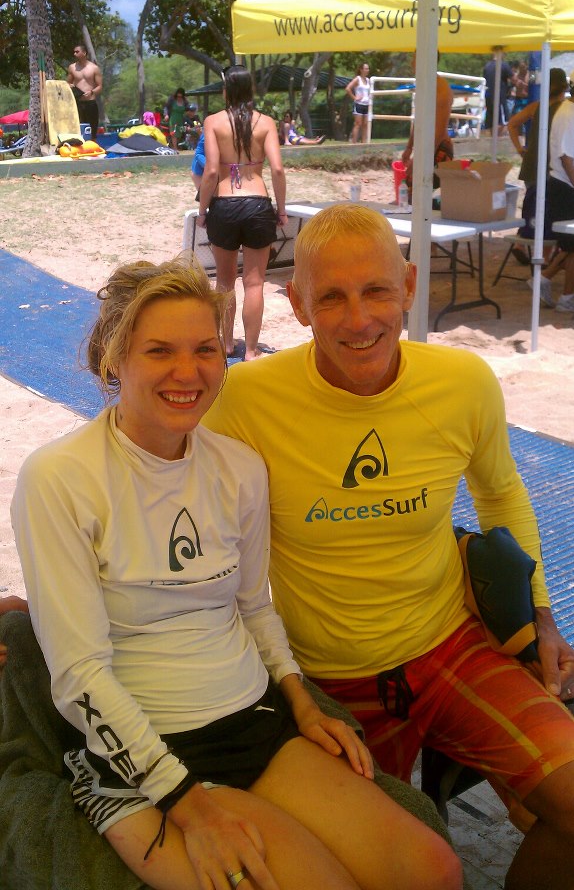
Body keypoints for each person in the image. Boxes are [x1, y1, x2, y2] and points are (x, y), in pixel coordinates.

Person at [9, 258, 460, 890]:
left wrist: (300, 701)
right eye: (159, 351)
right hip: (144, 752)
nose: (188, 372)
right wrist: (190, 805)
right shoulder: (60, 479)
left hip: (252, 718)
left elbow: (254, 607)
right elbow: (78, 673)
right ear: (114, 358)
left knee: (433, 870)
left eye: (205, 350)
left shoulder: (239, 469)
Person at [204, 203, 574, 890]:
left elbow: (501, 495)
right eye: (331, 298)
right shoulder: (246, 400)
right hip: (325, 681)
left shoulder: (462, 382)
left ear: (408, 285)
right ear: (297, 305)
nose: (359, 319)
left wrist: (541, 614)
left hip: (451, 648)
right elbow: (158, 490)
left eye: (376, 290)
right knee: (396, 870)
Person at [198, 64, 288, 361]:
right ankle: (250, 350)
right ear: (250, 90)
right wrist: (281, 210)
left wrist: (202, 210)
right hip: (258, 204)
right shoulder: (266, 123)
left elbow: (212, 171)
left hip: (224, 204)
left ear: (227, 90)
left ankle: (226, 343)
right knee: (254, 282)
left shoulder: (213, 122)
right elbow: (277, 169)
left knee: (224, 281)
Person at [508, 68, 568, 281]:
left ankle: (520, 243)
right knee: (549, 213)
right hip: (552, 167)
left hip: (531, 164)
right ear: (564, 87)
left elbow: (512, 124)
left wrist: (520, 149)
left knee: (532, 207)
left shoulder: (536, 107)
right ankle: (543, 257)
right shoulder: (565, 110)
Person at [536, 72, 574, 313]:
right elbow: (567, 157)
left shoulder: (566, 110)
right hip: (565, 186)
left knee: (570, 246)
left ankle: (545, 279)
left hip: (563, 184)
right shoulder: (569, 114)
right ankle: (567, 297)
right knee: (572, 246)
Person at [401, 53, 453, 201]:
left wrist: (419, 158)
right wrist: (410, 146)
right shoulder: (424, 85)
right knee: (412, 197)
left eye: (415, 59)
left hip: (438, 148)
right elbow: (420, 118)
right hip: (425, 148)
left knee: (424, 201)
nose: (412, 63)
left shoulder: (441, 89)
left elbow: (439, 132)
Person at [67, 43, 103, 143]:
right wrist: (70, 86)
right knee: (78, 129)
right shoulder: (72, 67)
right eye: (74, 52)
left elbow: (100, 86)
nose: (74, 54)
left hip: (90, 102)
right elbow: (67, 83)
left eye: (77, 52)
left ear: (84, 53)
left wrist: (92, 92)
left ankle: (93, 146)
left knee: (92, 131)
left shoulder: (94, 68)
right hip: (78, 102)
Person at [483, 49, 513, 135]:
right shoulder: (503, 65)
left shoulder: (487, 66)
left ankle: (491, 140)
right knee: (503, 122)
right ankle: (498, 140)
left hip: (488, 97)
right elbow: (514, 79)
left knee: (490, 121)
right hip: (500, 98)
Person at [346, 62, 371, 144]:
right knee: (358, 124)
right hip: (359, 104)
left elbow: (369, 91)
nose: (367, 70)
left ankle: (363, 143)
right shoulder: (357, 79)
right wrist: (354, 97)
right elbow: (348, 88)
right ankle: (354, 143)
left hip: (366, 104)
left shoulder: (368, 80)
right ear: (361, 70)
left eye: (368, 69)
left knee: (365, 124)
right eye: (366, 69)